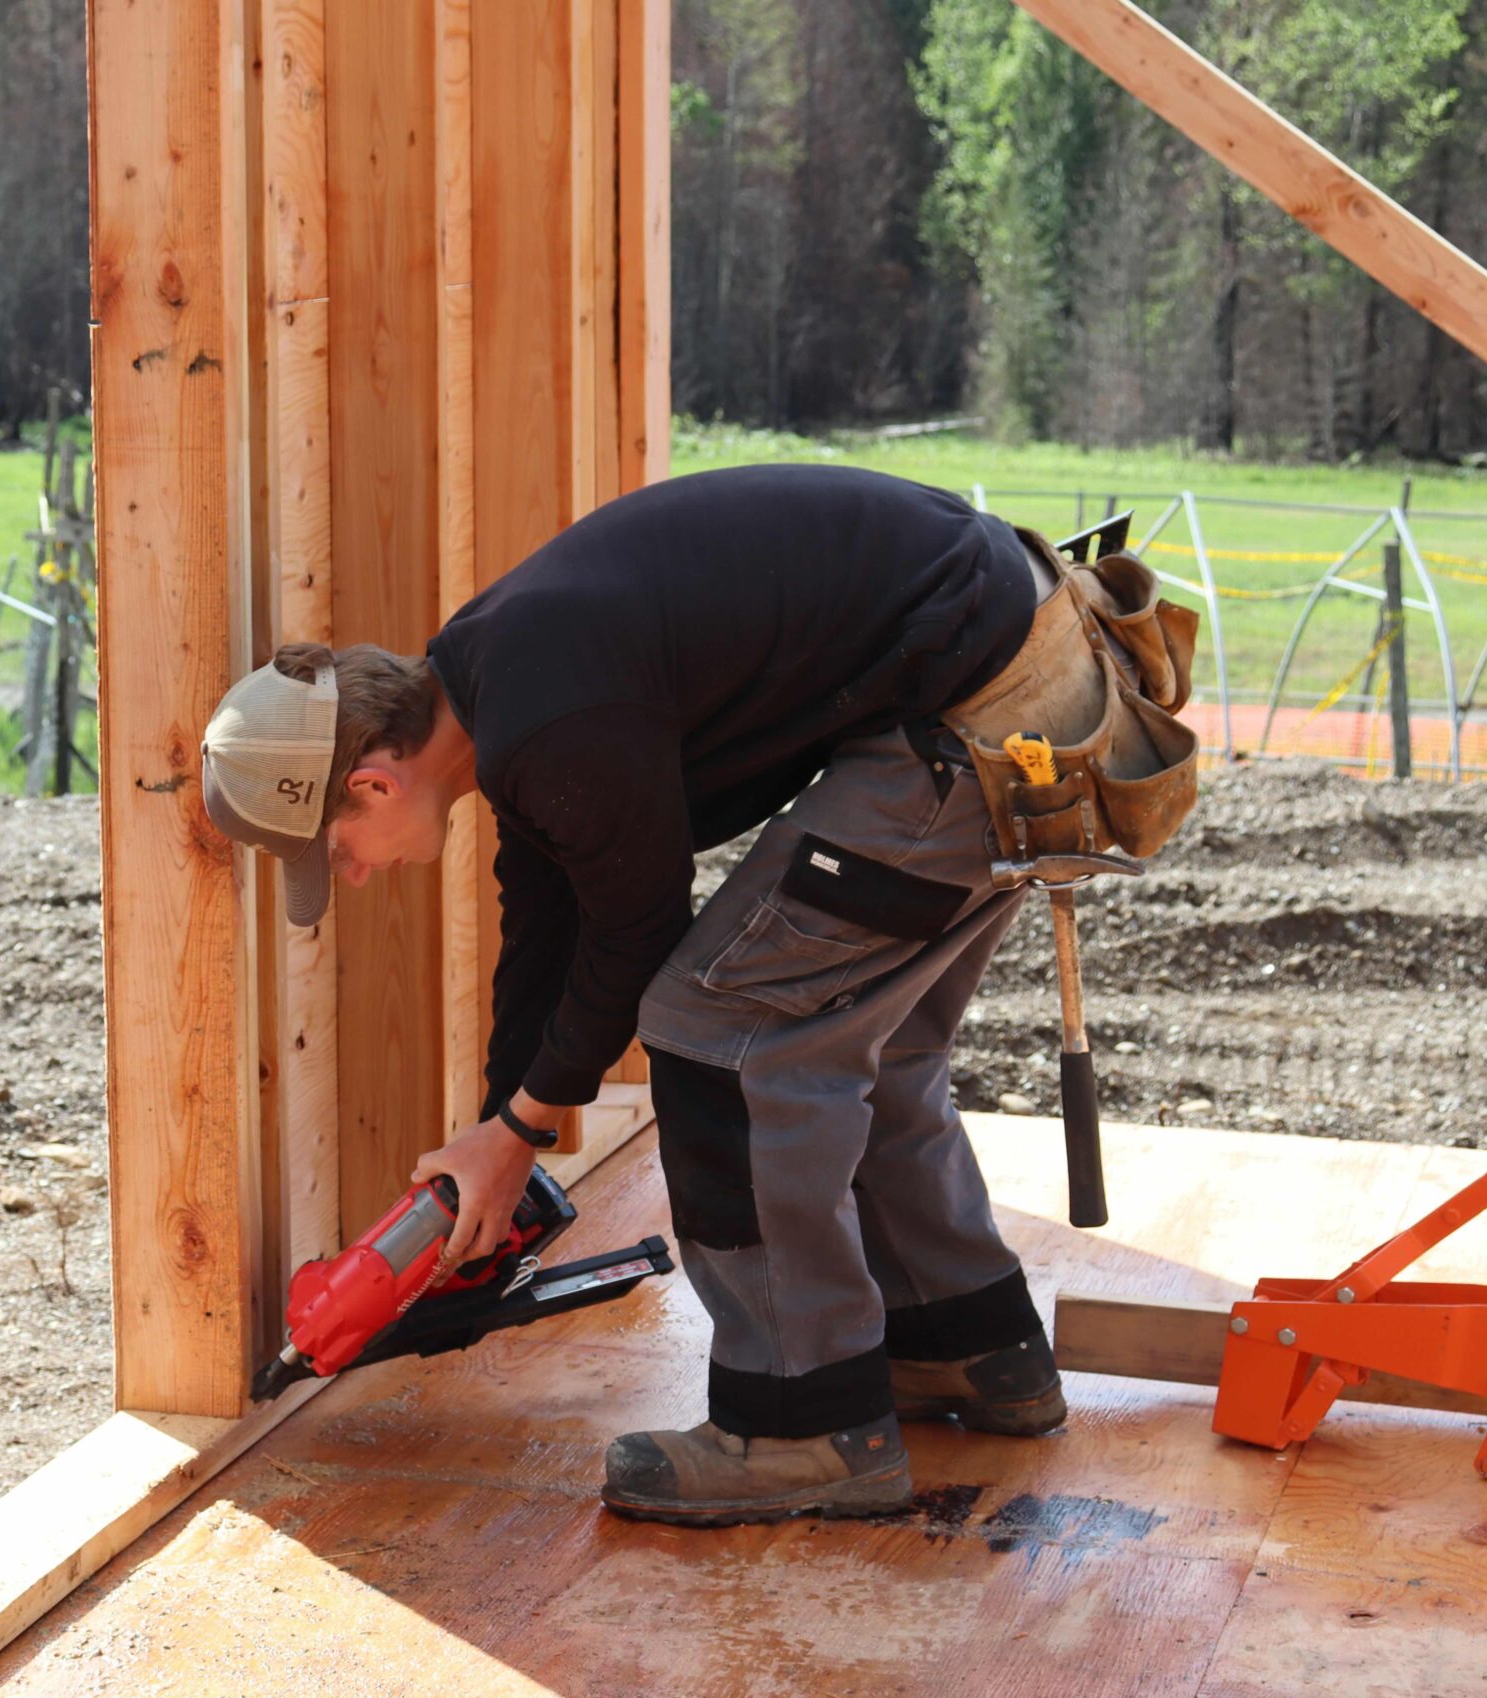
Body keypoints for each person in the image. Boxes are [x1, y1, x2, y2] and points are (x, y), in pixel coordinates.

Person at [197, 463, 1125, 1527]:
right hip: (1007, 679)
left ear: (370, 782)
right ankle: (966, 1342)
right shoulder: (499, 681)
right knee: (850, 1030)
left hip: (986, 711)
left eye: (339, 852)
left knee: (718, 1032)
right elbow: (545, 912)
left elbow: (637, 933)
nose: (353, 875)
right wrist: (507, 1128)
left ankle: (801, 1423)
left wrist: (522, 1129)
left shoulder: (548, 717)